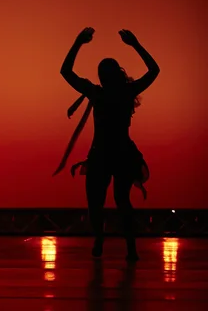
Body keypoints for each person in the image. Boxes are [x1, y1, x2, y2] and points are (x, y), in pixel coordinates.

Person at [56, 27, 160, 261]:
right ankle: (107, 240)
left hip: (116, 152)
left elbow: (154, 71)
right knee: (99, 201)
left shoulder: (114, 92)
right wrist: (77, 42)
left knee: (118, 200)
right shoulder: (99, 93)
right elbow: (66, 72)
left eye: (105, 71)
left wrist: (79, 43)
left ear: (112, 74)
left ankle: (128, 246)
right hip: (105, 153)